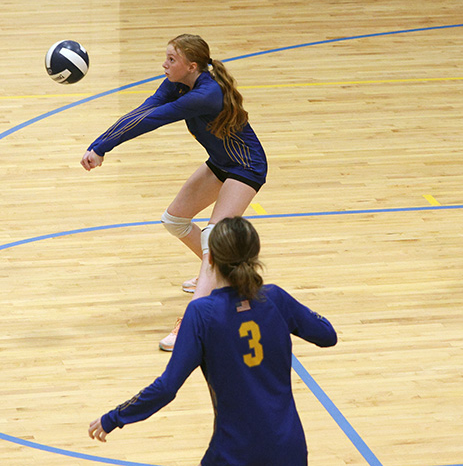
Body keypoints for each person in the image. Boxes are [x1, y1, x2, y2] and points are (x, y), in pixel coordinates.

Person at [88, 216, 336, 464]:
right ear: (255, 256)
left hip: (234, 453)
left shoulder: (202, 313)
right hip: (288, 448)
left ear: (210, 259)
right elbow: (327, 335)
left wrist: (115, 417)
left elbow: (166, 387)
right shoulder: (276, 299)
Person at [81, 34, 267, 350]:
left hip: (245, 168)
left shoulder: (206, 94)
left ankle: (192, 322)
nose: (164, 64)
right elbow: (145, 109)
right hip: (221, 163)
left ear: (191, 65)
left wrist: (102, 147)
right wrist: (100, 145)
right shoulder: (178, 83)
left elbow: (154, 119)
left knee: (213, 237)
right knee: (175, 220)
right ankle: (223, 274)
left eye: (171, 59)